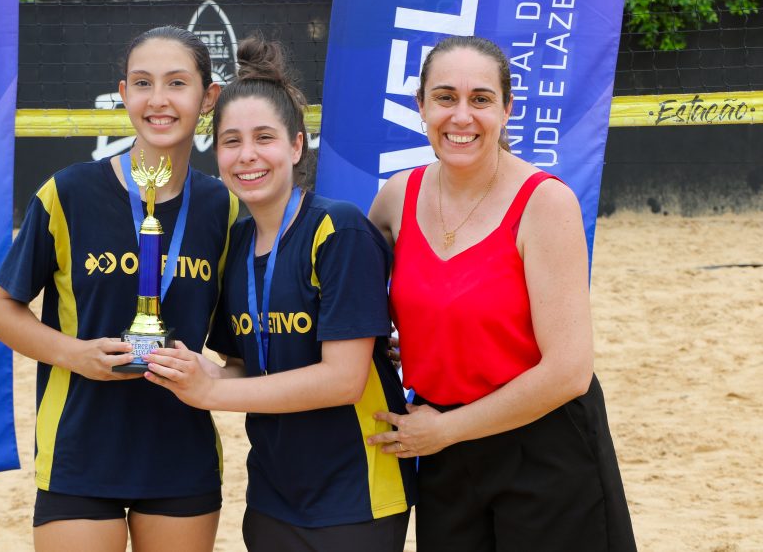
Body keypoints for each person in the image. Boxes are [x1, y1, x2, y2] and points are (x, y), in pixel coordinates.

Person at [143, 35, 416, 552]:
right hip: (272, 493)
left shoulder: (339, 231)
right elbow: (252, 365)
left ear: (296, 146)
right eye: (231, 141)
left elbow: (343, 380)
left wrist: (214, 393)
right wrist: (209, 372)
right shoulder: (236, 242)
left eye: (264, 138)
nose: (247, 156)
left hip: (356, 492)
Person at [367, 35, 637, 551]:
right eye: (445, 97)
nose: (461, 116)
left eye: (481, 99)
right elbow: (346, 291)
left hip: (542, 447)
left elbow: (569, 371)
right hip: (445, 452)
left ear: (507, 110)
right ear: (419, 106)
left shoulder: (545, 203)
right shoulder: (397, 197)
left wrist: (445, 432)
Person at [0, 26, 238, 552]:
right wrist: (75, 354)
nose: (159, 100)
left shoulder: (224, 208)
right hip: (79, 451)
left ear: (208, 98)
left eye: (177, 83)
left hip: (179, 455)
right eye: (143, 84)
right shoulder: (68, 192)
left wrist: (214, 374)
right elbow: (1, 310)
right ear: (122, 95)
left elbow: (241, 349)